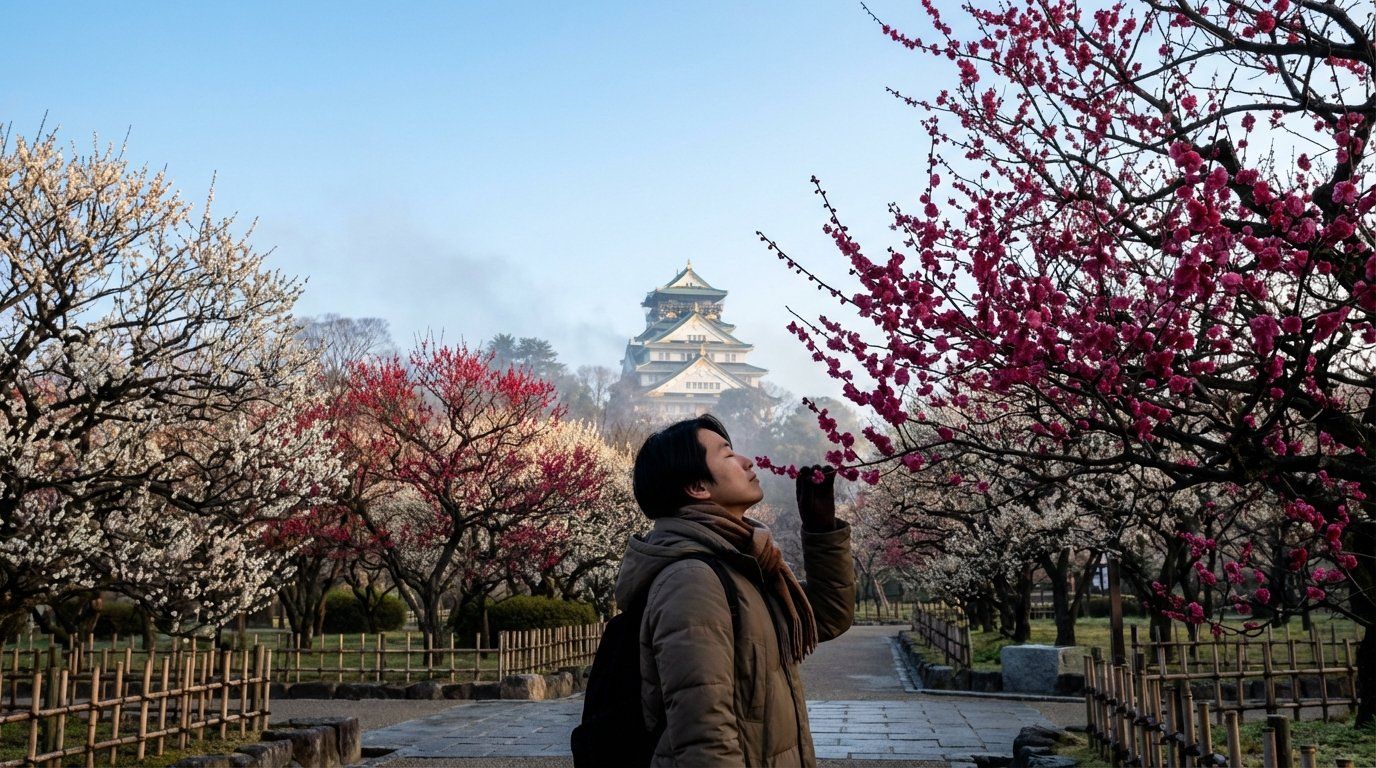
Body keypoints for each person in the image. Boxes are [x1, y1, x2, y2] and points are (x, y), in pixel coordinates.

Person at [614, 414, 855, 767]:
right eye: (727, 455)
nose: (747, 461)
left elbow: (828, 616)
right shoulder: (693, 579)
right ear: (698, 487)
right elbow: (703, 732)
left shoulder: (740, 565)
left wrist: (821, 533)